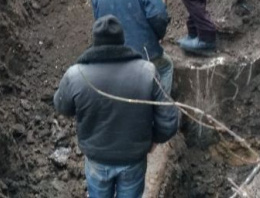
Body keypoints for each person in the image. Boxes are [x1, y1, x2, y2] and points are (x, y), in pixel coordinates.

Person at [53, 15, 179, 198]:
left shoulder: (76, 75)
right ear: (122, 40)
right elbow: (169, 120)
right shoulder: (146, 71)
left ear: (95, 42)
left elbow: (61, 106)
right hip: (133, 159)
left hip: (97, 159)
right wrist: (153, 140)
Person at [91, 0, 174, 95]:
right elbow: (159, 16)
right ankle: (162, 110)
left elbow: (99, 26)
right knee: (165, 67)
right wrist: (158, 36)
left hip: (112, 58)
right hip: (144, 54)